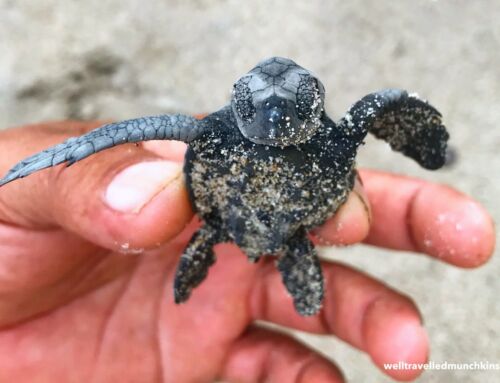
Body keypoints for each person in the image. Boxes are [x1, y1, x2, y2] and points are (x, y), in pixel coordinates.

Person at [0, 121, 494, 382]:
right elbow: (123, 137)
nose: (275, 113)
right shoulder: (215, 132)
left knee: (295, 258)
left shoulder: (324, 136)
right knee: (211, 232)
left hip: (272, 220)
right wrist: (50, 168)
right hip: (227, 219)